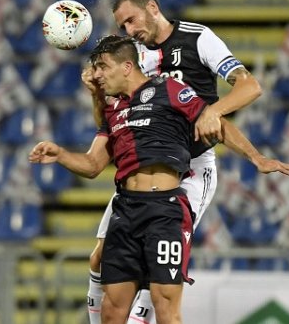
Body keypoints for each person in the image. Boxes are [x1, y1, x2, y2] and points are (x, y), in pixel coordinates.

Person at [84, 0, 289, 324]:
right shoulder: (134, 56)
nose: (128, 30)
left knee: (154, 280)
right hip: (141, 169)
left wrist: (215, 113)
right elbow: (113, 116)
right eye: (122, 25)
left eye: (131, 20)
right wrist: (97, 92)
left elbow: (249, 86)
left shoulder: (198, 39)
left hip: (191, 170)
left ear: (153, 8)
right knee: (98, 259)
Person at [32, 34, 222, 324]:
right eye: (95, 68)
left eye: (103, 66)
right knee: (112, 311)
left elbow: (212, 119)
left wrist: (257, 158)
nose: (96, 74)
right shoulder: (113, 112)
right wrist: (60, 155)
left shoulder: (169, 89)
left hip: (164, 210)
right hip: (126, 209)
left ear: (127, 66)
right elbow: (93, 164)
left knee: (166, 309)